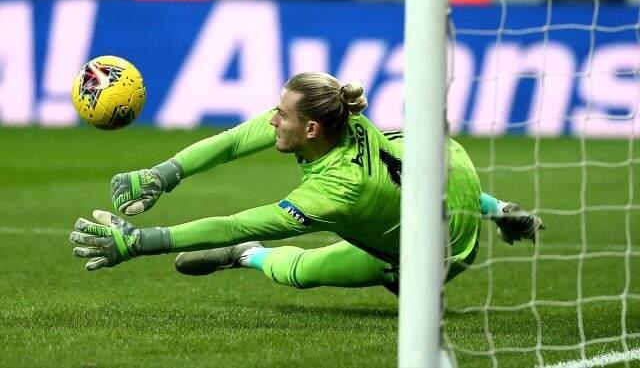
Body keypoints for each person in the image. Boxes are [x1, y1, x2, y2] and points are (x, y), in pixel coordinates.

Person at [69, 72, 543, 294]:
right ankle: (499, 207)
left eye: (281, 114)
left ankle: (247, 260)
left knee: (302, 273)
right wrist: (162, 175)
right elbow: (233, 142)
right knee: (417, 178)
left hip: (438, 252)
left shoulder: (336, 190)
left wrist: (140, 242)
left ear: (309, 129)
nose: (272, 120)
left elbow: (238, 223)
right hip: (443, 163)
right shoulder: (335, 113)